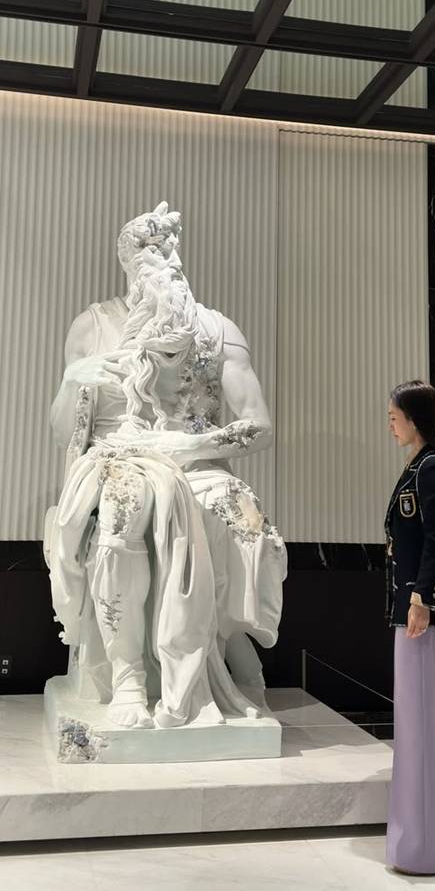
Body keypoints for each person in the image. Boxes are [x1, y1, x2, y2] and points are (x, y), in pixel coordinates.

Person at [45, 202, 286, 729]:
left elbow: (259, 425)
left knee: (232, 508)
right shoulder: (94, 325)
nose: (166, 260)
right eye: (151, 252)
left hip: (195, 460)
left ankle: (221, 649)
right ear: (129, 265)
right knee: (123, 507)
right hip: (116, 456)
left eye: (171, 250)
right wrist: (72, 381)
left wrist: (186, 445)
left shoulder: (216, 329)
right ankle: (128, 675)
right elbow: (66, 433)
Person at [384, 380, 435, 876]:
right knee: (432, 724)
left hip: (420, 612)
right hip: (419, 608)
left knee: (418, 726)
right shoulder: (421, 465)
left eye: (394, 417)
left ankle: (419, 847)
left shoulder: (430, 467)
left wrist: (421, 599)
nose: (390, 426)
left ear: (414, 420)